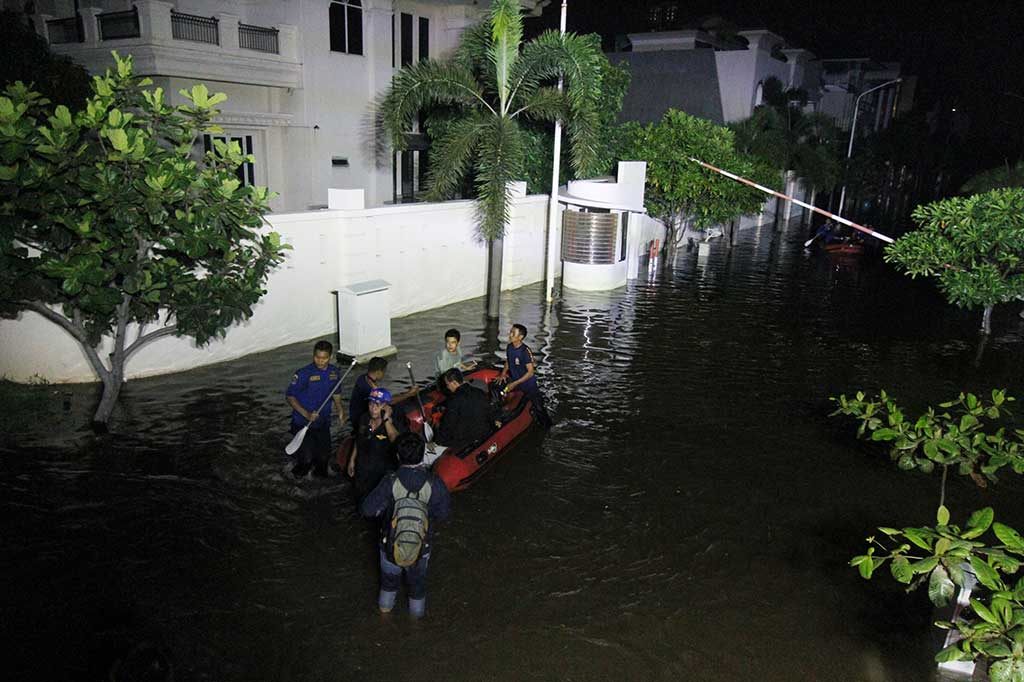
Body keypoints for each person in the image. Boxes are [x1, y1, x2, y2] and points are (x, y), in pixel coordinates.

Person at [360, 432, 451, 618]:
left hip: (390, 544)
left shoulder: (390, 481)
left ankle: (383, 621)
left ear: (398, 456)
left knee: (388, 584)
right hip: (421, 546)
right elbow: (443, 513)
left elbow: (367, 509)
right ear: (423, 455)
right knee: (417, 588)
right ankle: (415, 627)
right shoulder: (434, 482)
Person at [285, 340, 345, 479]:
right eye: (317, 357)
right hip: (302, 423)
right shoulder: (303, 373)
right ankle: (296, 480)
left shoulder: (334, 373)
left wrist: (340, 409)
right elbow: (290, 396)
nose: (320, 361)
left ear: (330, 357)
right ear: (313, 355)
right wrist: (306, 413)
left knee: (323, 459)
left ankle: (320, 486)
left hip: (323, 423)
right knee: (306, 460)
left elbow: (336, 392)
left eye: (324, 358)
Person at [423, 367, 495, 464]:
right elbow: (490, 413)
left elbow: (447, 425)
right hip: (483, 431)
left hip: (464, 439)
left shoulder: (454, 401)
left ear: (454, 383)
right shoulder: (480, 392)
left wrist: (436, 442)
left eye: (448, 384)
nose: (447, 387)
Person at [347, 387, 405, 499]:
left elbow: (397, 440)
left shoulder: (394, 424)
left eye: (378, 405)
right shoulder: (364, 418)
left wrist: (386, 420)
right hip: (363, 468)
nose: (373, 408)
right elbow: (359, 439)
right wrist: (352, 459)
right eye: (371, 404)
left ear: (386, 406)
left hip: (382, 472)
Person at [498, 323, 552, 429]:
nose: (510, 335)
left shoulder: (525, 351)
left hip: (528, 385)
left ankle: (547, 427)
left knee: (539, 408)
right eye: (510, 332)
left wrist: (514, 383)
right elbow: (508, 361)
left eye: (513, 333)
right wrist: (503, 374)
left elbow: (530, 372)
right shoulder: (509, 347)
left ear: (520, 337)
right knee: (499, 390)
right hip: (515, 381)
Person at [348, 356, 419, 427]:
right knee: (396, 408)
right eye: (384, 372)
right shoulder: (369, 388)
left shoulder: (363, 378)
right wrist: (409, 394)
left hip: (355, 413)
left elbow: (381, 395)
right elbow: (389, 401)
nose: (384, 374)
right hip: (360, 418)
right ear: (378, 372)